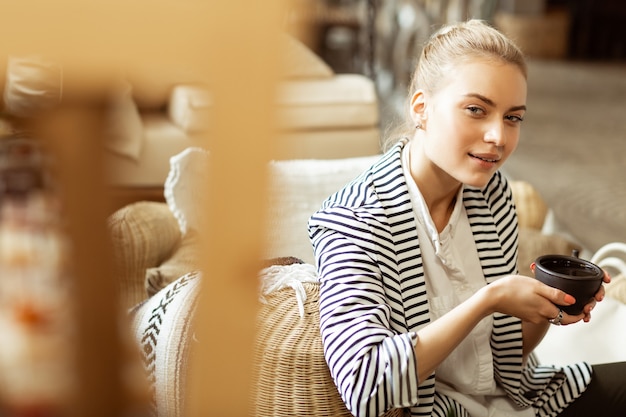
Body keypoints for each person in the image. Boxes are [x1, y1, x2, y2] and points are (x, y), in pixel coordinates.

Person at [308, 19, 626, 417]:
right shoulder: (354, 220)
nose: (498, 136)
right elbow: (365, 387)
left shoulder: (493, 195)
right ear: (421, 108)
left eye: (513, 117)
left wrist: (550, 311)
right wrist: (487, 301)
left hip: (522, 400)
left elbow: (503, 361)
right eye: (476, 110)